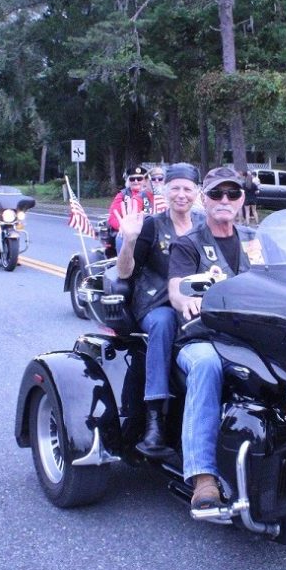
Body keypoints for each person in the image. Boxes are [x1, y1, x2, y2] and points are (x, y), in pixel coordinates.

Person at [167, 166, 262, 513]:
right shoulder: (188, 243)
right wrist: (187, 299)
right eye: (217, 194)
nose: (225, 200)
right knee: (207, 365)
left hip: (250, 336)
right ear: (203, 199)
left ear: (241, 200)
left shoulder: (255, 241)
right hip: (201, 337)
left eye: (232, 194)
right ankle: (202, 477)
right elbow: (176, 289)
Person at [116, 163, 205, 457]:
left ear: (197, 192)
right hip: (156, 303)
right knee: (165, 322)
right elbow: (125, 273)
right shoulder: (153, 225)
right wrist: (128, 240)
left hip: (198, 302)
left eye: (187, 188)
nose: (181, 194)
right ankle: (155, 418)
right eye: (175, 188)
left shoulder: (205, 225)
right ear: (164, 190)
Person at [108, 166, 155, 252]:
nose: (136, 181)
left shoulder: (153, 194)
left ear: (145, 180)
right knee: (121, 238)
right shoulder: (122, 195)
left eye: (139, 178)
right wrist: (123, 227)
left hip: (150, 231)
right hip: (128, 231)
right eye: (132, 179)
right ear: (128, 181)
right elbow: (112, 218)